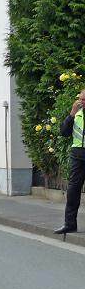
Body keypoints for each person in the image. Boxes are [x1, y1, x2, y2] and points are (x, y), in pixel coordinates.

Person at [55, 88, 85, 234]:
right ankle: (69, 224)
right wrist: (71, 114)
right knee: (73, 190)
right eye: (80, 99)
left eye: (84, 100)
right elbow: (64, 132)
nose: (81, 102)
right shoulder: (77, 114)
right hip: (77, 155)